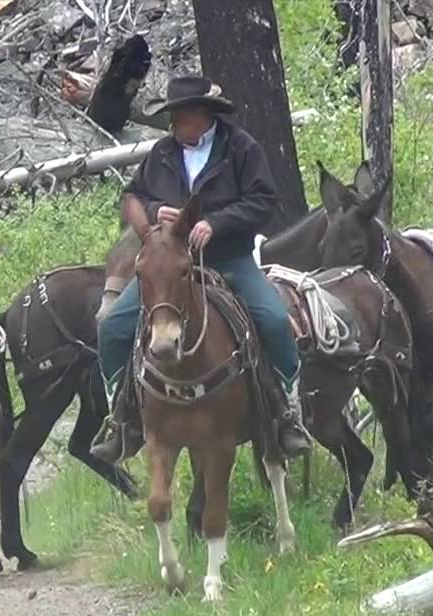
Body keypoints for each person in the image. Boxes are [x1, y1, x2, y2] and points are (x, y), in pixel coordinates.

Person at [90, 75, 312, 462]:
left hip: (229, 258)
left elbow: (264, 200)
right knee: (112, 327)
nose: (173, 125)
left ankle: (286, 414)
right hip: (169, 266)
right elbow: (132, 196)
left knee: (275, 321)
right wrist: (157, 211)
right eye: (172, 118)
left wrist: (217, 222)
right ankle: (119, 418)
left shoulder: (241, 149)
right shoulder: (161, 153)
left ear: (201, 115)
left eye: (178, 116)